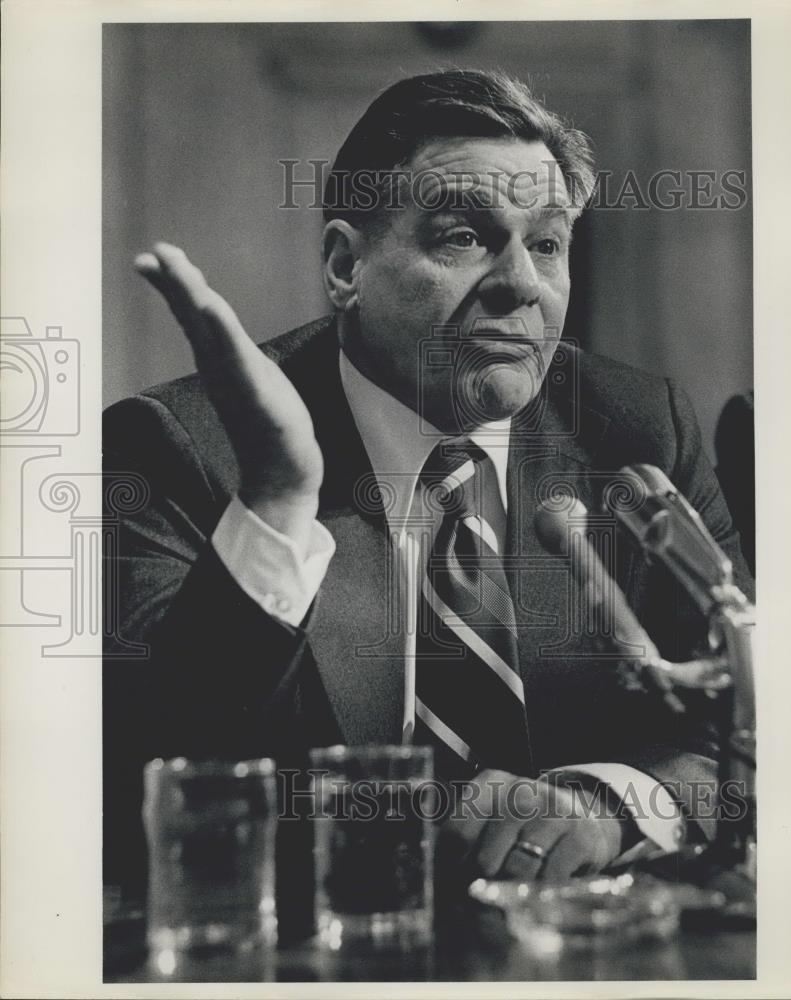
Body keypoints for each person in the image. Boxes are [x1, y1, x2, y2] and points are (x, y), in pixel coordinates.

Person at [103, 70, 753, 926]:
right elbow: (148, 773)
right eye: (463, 239)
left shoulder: (636, 430)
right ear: (346, 263)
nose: (521, 284)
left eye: (548, 244)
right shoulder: (180, 446)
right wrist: (278, 495)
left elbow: (745, 723)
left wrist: (609, 801)